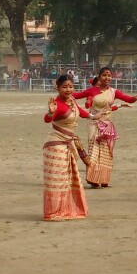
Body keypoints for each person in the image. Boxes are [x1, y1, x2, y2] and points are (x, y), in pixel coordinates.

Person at [72, 67, 137, 188]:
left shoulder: (114, 92)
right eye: (104, 75)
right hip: (94, 124)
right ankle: (93, 179)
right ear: (99, 77)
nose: (107, 78)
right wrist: (62, 90)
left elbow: (129, 99)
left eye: (109, 75)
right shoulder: (92, 91)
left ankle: (104, 179)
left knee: (106, 152)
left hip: (107, 125)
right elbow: (75, 96)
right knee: (93, 151)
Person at [43, 75, 91, 221]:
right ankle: (53, 212)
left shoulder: (72, 101)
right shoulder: (56, 104)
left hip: (67, 144)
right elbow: (47, 119)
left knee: (67, 180)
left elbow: (81, 112)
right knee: (57, 182)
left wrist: (95, 116)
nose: (68, 89)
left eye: (70, 86)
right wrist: (51, 112)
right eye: (64, 86)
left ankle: (65, 209)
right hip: (55, 146)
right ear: (57, 88)